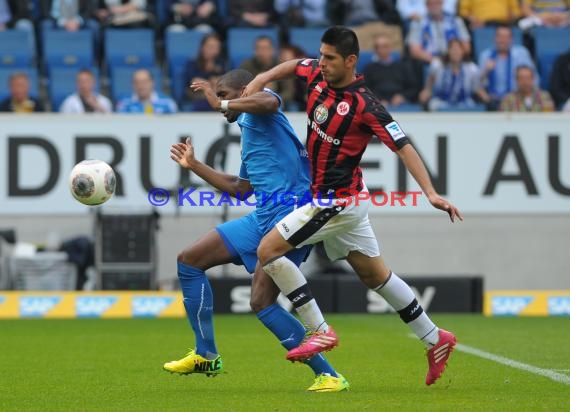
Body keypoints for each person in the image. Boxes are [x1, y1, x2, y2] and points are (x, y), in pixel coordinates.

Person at [244, 25, 462, 386]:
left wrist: (430, 193)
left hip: (338, 202)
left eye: (330, 58)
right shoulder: (315, 72)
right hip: (346, 200)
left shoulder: (365, 104)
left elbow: (403, 145)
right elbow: (294, 64)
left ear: (350, 61)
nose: (322, 63)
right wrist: (262, 77)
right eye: (321, 55)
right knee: (375, 275)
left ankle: (320, 330)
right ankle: (435, 338)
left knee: (268, 250)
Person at [163, 69, 350, 392]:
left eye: (225, 94)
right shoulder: (249, 132)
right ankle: (206, 352)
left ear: (244, 90)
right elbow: (240, 188)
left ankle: (329, 374)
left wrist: (220, 101)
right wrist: (194, 166)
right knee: (189, 260)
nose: (221, 103)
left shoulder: (266, 108)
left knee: (261, 302)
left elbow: (266, 101)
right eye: (218, 96)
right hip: (262, 217)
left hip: (291, 216)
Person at [419, 38, 489, 111]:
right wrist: (426, 91)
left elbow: (477, 88)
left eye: (458, 49)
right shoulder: (437, 66)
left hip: (464, 104)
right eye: (453, 49)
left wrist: (487, 99)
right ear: (448, 51)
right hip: (441, 103)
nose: (455, 52)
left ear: (463, 52)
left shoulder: (471, 69)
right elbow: (429, 83)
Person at [478, 25, 537, 111]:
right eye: (500, 37)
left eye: (506, 37)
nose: (503, 40)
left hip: (517, 98)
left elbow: (534, 78)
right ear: (495, 38)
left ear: (511, 39)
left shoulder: (521, 54)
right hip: (493, 100)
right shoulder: (485, 56)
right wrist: (485, 71)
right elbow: (477, 85)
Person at [363, 34, 420, 108]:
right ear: (375, 50)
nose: (381, 50)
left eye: (385, 46)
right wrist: (377, 99)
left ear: (390, 48)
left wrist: (402, 96)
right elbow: (365, 89)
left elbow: (413, 87)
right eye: (378, 47)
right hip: (377, 105)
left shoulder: (403, 67)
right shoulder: (369, 68)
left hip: (401, 104)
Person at [407, 0, 471, 64]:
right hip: (430, 62)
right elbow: (414, 50)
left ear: (442, 3)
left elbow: (466, 47)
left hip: (453, 61)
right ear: (426, 5)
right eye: (431, 4)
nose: (434, 6)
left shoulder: (456, 21)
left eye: (437, 3)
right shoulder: (418, 23)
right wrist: (435, 60)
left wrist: (452, 56)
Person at [180, 33, 225, 111]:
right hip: (196, 97)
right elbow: (194, 82)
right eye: (211, 47)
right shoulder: (192, 63)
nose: (214, 51)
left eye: (217, 48)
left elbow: (224, 83)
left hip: (215, 97)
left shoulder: (220, 63)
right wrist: (211, 83)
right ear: (203, 47)